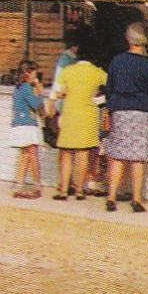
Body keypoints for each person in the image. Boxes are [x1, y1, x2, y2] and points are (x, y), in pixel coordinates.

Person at [103, 22, 148, 214]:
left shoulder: (117, 61)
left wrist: (110, 109)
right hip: (142, 111)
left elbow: (109, 88)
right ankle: (136, 199)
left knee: (117, 155)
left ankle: (111, 197)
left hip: (120, 110)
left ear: (128, 39)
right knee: (138, 157)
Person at [49, 31, 105, 201]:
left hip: (70, 114)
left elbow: (56, 93)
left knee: (66, 154)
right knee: (82, 154)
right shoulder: (98, 72)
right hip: (88, 116)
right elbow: (111, 90)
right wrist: (98, 101)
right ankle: (80, 190)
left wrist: (53, 104)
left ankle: (64, 190)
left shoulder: (67, 71)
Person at [9, 60, 45, 199]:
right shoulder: (25, 88)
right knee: (33, 155)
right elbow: (36, 104)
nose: (36, 77)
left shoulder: (18, 87)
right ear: (27, 73)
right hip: (27, 124)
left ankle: (19, 185)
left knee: (24, 156)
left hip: (20, 123)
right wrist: (39, 91)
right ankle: (37, 185)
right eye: (35, 73)